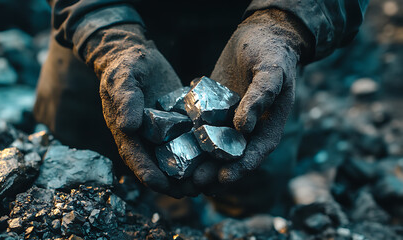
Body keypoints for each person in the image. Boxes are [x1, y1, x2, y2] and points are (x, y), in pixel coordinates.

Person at [34, 0, 369, 216]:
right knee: (78, 175)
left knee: (256, 179)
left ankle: (239, 221)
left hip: (255, 24)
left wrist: (287, 23)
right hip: (112, 19)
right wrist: (105, 32)